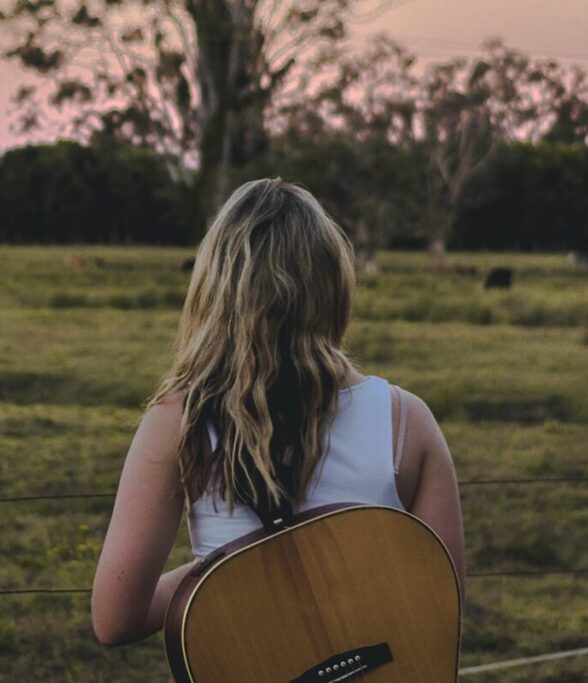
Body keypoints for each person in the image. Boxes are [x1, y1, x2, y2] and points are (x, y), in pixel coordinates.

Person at [91, 178, 465, 647]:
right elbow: (443, 607)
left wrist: (223, 565)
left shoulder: (180, 421)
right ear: (332, 286)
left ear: (216, 289)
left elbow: (115, 619)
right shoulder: (406, 422)